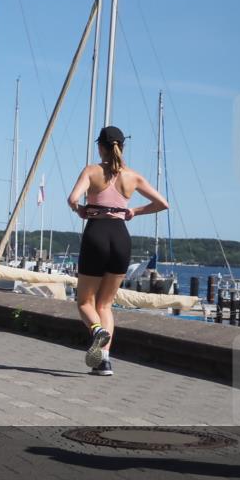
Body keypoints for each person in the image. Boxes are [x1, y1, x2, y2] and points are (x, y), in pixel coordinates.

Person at [67, 125, 169, 376]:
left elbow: (72, 198)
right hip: (121, 238)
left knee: (85, 301)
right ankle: (104, 362)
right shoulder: (132, 176)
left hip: (96, 235)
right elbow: (162, 203)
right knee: (106, 304)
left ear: (100, 147)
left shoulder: (92, 171)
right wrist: (134, 211)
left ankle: (96, 331)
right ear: (121, 147)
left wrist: (80, 210)